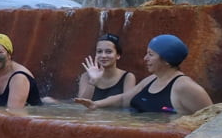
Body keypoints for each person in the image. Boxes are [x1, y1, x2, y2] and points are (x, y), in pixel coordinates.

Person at [76, 34, 212, 115]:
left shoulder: (186, 87)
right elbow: (124, 98)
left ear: (166, 60)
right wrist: (96, 105)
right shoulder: (151, 80)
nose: (145, 58)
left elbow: (212, 121)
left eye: (151, 55)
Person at [75, 33, 136, 102]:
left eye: (108, 52)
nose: (103, 55)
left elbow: (127, 106)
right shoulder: (86, 76)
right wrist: (93, 81)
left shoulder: (128, 77)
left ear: (118, 55)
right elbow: (80, 106)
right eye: (99, 51)